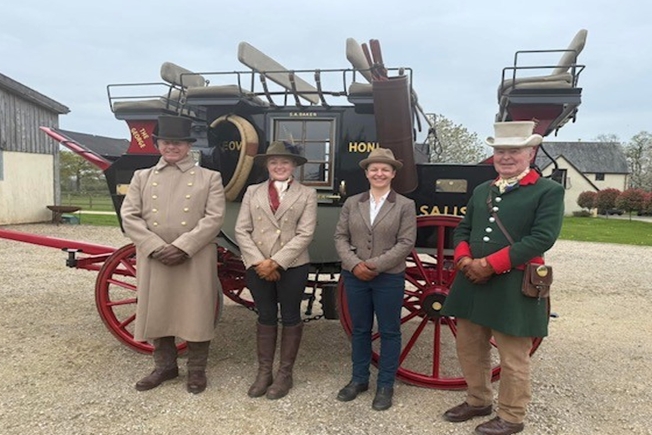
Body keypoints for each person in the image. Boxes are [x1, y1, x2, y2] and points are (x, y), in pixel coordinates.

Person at [441, 121, 564, 435]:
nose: (506, 157)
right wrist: (466, 259)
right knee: (469, 347)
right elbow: (464, 229)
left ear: (531, 152)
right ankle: (478, 400)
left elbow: (541, 239)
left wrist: (490, 265)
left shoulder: (548, 191)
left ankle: (511, 416)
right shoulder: (483, 190)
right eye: (500, 151)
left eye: (514, 151)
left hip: (514, 283)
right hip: (472, 281)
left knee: (513, 356)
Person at [121, 115, 225, 394]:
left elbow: (214, 218)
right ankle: (165, 366)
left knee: (196, 313)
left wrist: (183, 246)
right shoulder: (141, 177)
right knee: (159, 310)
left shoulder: (209, 177)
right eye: (167, 142)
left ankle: (196, 371)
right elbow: (129, 216)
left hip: (194, 255)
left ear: (188, 145)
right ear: (158, 145)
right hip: (155, 255)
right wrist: (154, 246)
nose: (172, 147)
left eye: (178, 143)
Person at [334, 147, 417, 411]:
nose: (379, 173)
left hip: (388, 278)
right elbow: (340, 237)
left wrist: (374, 265)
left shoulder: (405, 205)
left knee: (390, 331)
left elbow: (406, 243)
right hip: (354, 276)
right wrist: (355, 265)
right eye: (374, 169)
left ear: (393, 173)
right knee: (359, 330)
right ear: (367, 173)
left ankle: (385, 385)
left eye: (385, 169)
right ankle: (359, 379)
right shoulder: (352, 203)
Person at [234, 140, 317, 400]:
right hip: (257, 265)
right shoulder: (252, 192)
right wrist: (260, 262)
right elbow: (241, 229)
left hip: (292, 265)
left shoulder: (307, 194)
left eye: (285, 162)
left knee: (291, 315)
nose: (279, 166)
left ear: (293, 166)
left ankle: (284, 375)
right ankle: (264, 373)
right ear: (267, 166)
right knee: (266, 315)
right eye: (274, 162)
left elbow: (306, 234)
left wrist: (276, 262)